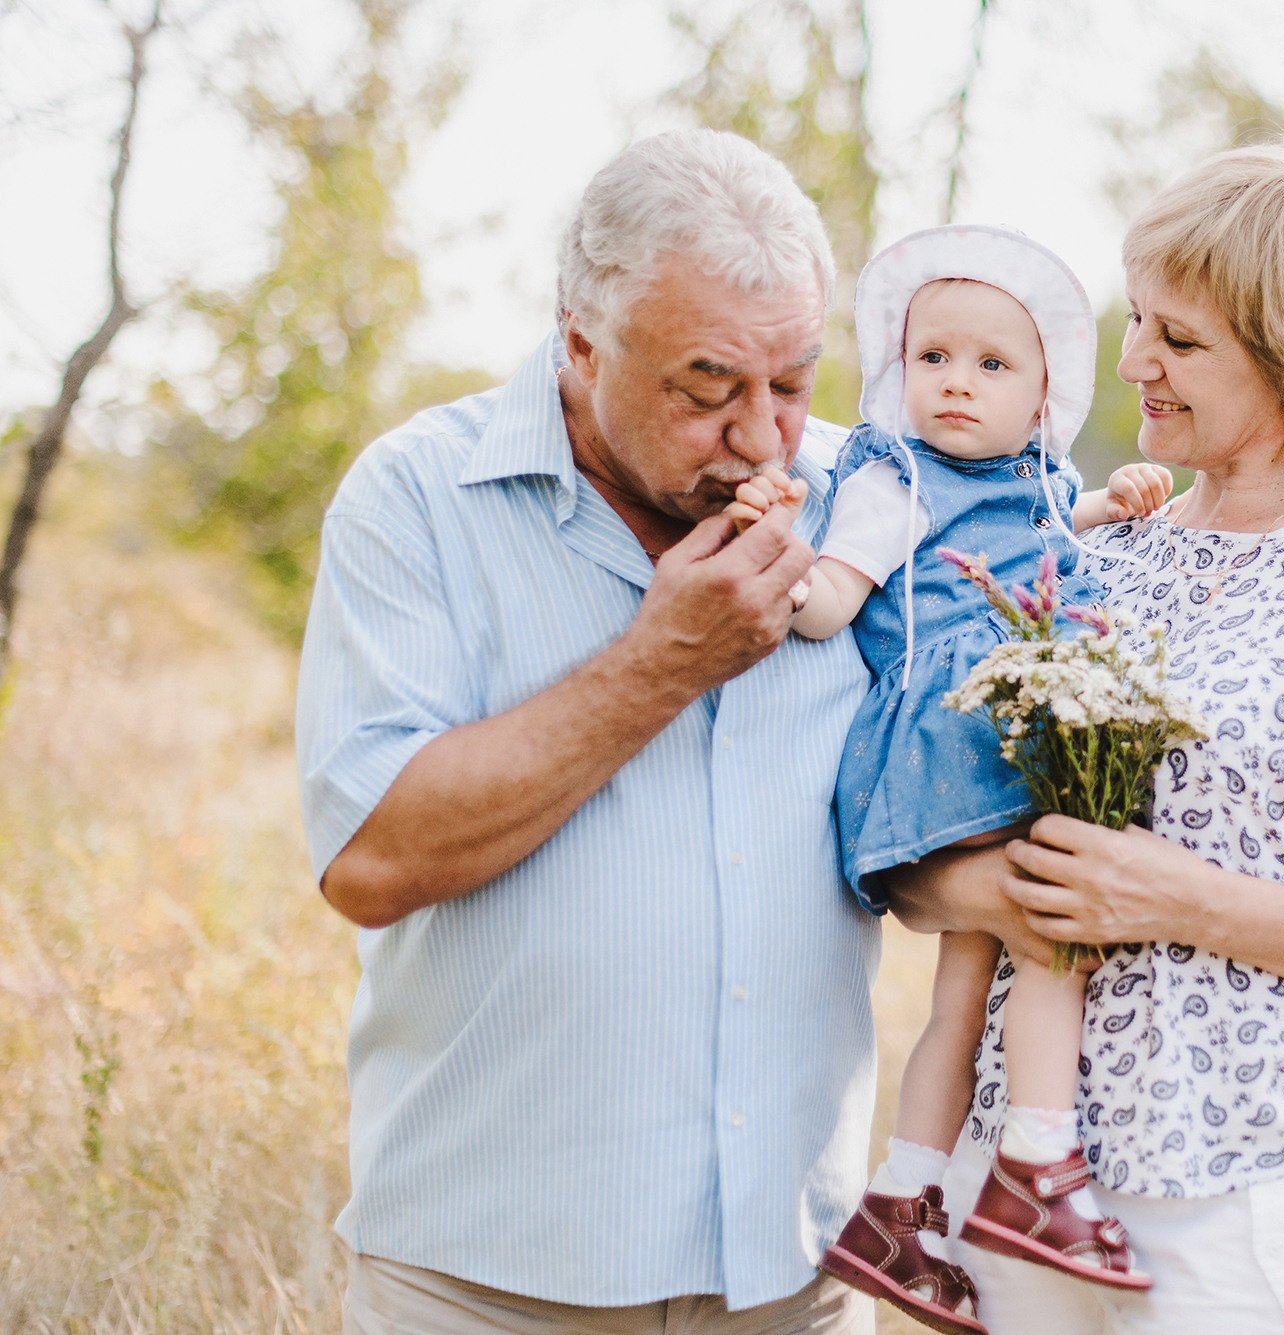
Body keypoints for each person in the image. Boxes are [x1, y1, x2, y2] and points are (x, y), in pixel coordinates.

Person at [886, 140, 1284, 1335]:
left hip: (1243, 1197)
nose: (1131, 361)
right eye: (1136, 321)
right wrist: (978, 884)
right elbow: (914, 836)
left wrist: (1182, 899)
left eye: (1178, 340)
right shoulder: (1087, 559)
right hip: (1020, 1185)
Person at [295, 129, 878, 1333]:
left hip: (794, 1281)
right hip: (483, 1281)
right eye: (707, 389)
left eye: (793, 382)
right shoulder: (416, 500)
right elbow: (373, 857)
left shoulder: (871, 510)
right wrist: (660, 667)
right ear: (578, 340)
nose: (765, 438)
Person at [724, 225, 1174, 1335]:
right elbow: (832, 604)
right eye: (933, 359)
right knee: (1052, 933)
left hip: (996, 746)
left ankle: (901, 1205)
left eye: (990, 366)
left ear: (1039, 400)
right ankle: (1037, 1169)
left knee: (963, 996)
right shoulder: (891, 480)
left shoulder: (1030, 482)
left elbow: (1028, 549)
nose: (956, 386)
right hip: (943, 749)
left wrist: (1103, 515)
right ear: (895, 372)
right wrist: (780, 549)